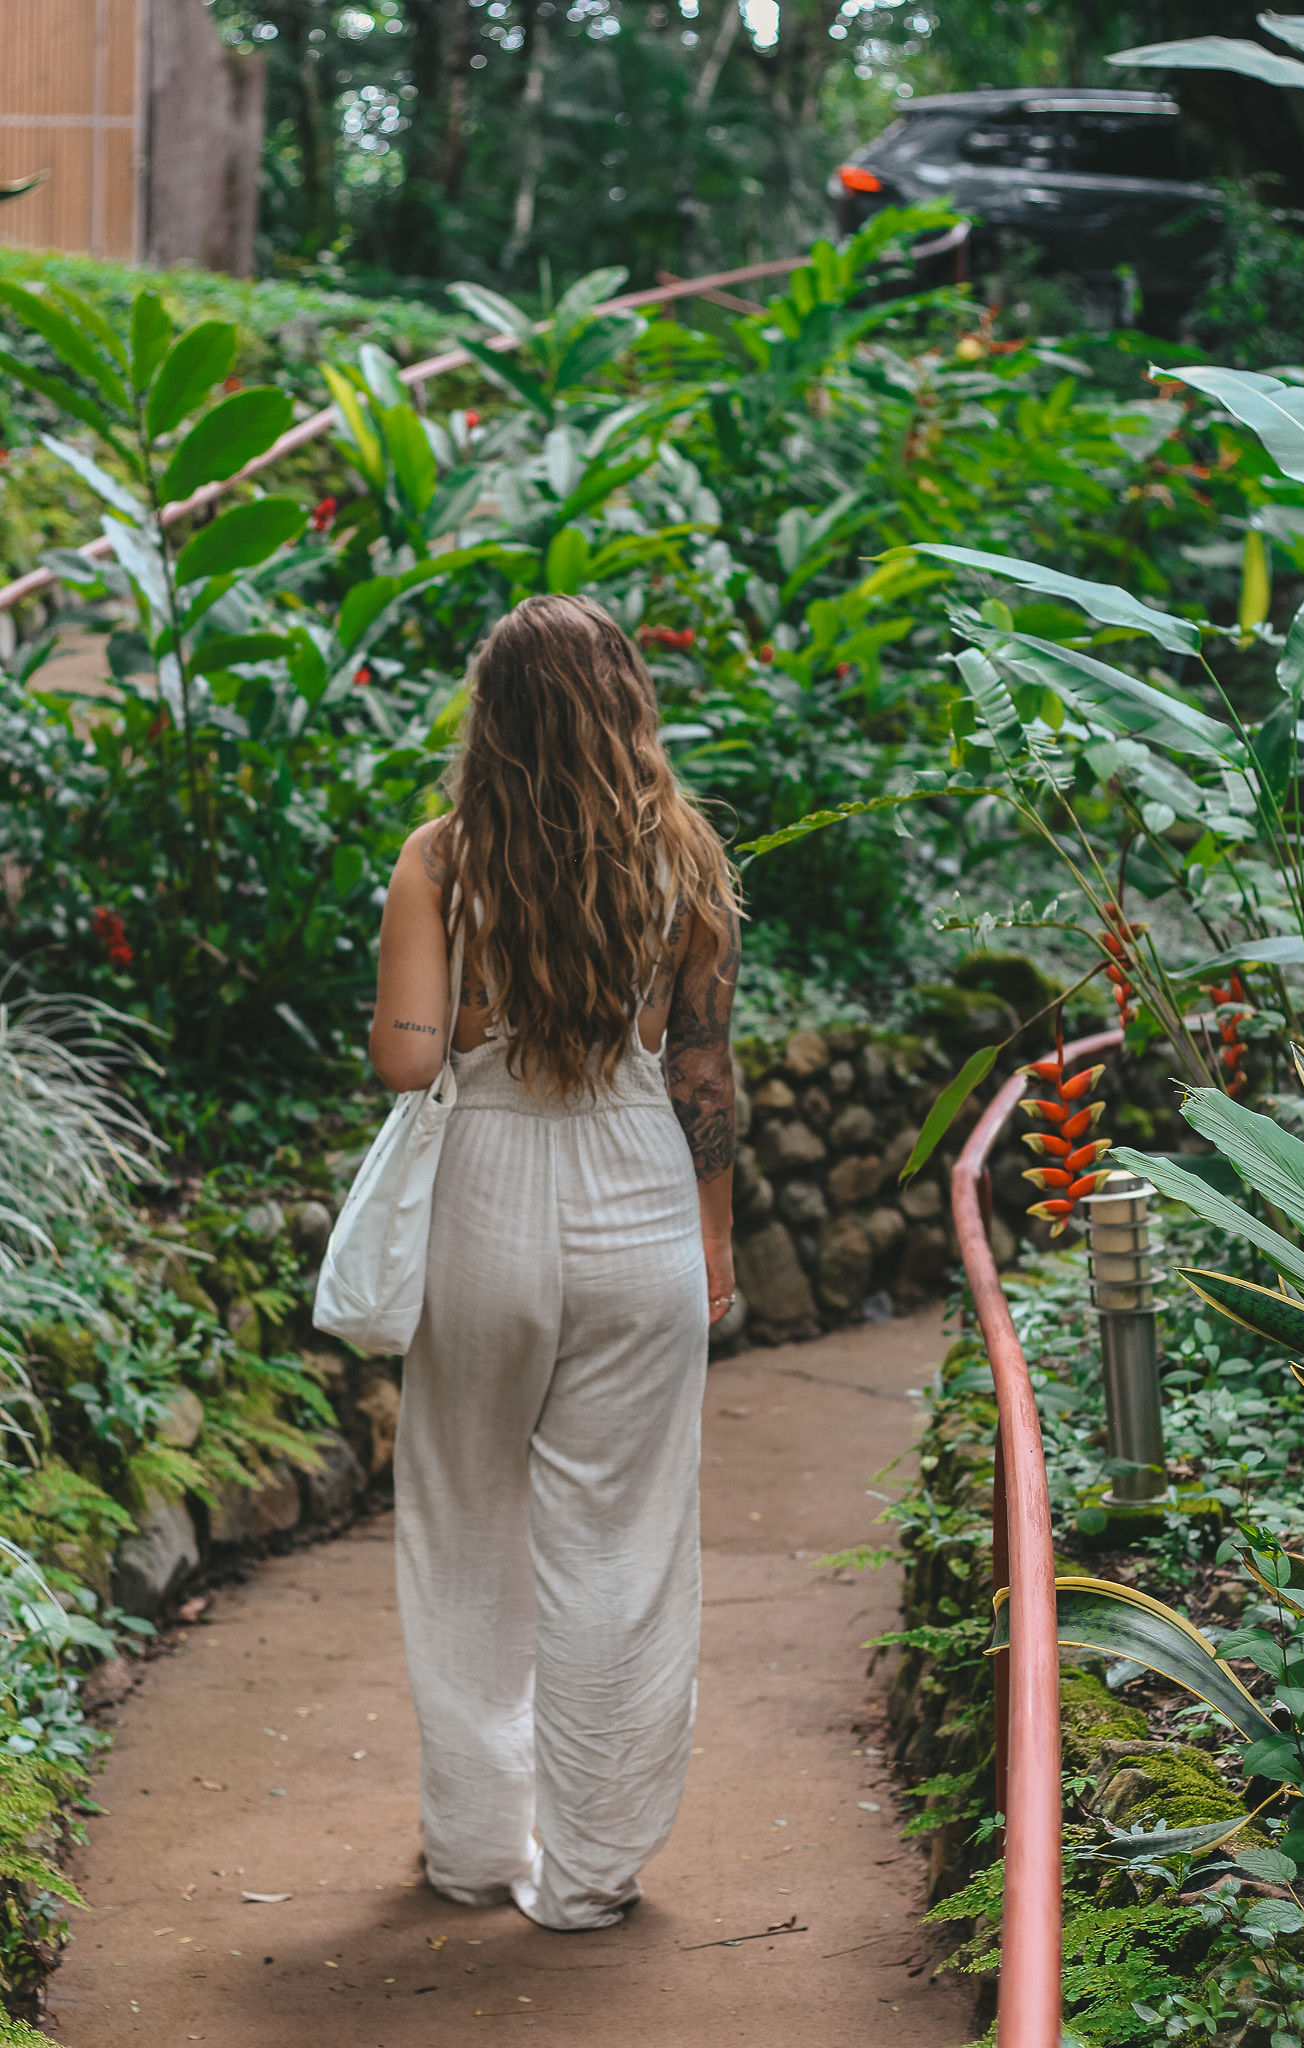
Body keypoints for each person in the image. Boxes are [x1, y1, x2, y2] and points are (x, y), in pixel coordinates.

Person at [368, 593, 741, 1932]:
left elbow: (407, 1059)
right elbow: (703, 1071)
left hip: (487, 1200)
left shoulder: (442, 857)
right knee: (623, 1544)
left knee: (465, 1518)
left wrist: (449, 1006)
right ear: (625, 703)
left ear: (495, 715)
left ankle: (476, 1848)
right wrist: (713, 1244)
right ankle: (590, 1875)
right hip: (640, 1196)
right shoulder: (683, 856)